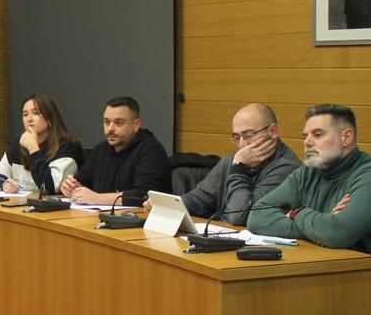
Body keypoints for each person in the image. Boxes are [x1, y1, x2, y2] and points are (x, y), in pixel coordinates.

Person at [248, 104, 371, 252]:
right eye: (305, 136)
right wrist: (322, 224)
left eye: (317, 135)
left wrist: (296, 213)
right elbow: (257, 217)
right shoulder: (307, 172)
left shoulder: (366, 174)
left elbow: (337, 233)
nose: (307, 142)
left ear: (346, 138)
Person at [172, 103, 300, 224]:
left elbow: (239, 216)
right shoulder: (235, 159)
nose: (242, 144)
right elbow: (201, 198)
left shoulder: (287, 168)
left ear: (273, 131)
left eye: (248, 135)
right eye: (237, 138)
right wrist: (170, 205)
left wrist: (239, 168)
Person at [61, 96, 170, 205]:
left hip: (139, 219)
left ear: (135, 125)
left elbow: (145, 195)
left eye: (119, 123)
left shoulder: (151, 150)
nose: (110, 128)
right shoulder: (101, 149)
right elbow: (82, 182)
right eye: (107, 122)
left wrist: (97, 198)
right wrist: (72, 187)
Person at [0, 94, 83, 194]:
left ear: (49, 118)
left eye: (36, 113)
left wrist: (33, 148)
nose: (29, 119)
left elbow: (48, 188)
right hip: (21, 206)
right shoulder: (18, 144)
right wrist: (4, 183)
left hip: (54, 208)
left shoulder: (68, 147)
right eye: (25, 114)